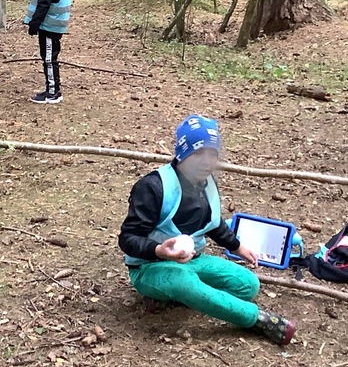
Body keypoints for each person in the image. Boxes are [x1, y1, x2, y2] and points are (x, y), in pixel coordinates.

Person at [118, 115, 296, 345]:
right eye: (198, 153)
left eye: (212, 154)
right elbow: (128, 238)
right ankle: (257, 319)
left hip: (192, 260)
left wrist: (237, 246)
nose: (206, 162)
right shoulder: (154, 187)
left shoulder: (207, 182)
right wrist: (160, 251)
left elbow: (214, 222)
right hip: (148, 266)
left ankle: (172, 296)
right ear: (182, 153)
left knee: (247, 285)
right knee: (183, 281)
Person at [22, 0, 74, 104]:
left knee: (49, 58)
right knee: (49, 56)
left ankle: (53, 92)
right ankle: (52, 89)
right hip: (54, 21)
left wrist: (34, 23)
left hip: (50, 23)